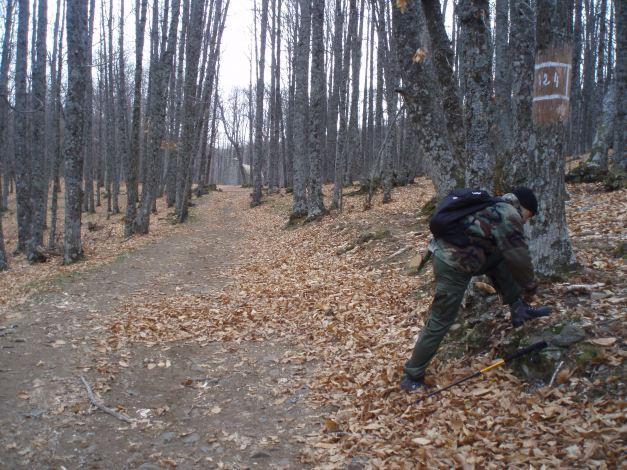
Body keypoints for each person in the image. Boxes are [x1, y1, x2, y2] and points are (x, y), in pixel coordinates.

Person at [400, 187, 551, 392]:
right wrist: (530, 284)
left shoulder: (494, 207)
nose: (526, 221)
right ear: (523, 207)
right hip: (452, 265)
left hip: (465, 257)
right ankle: (412, 374)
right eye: (528, 216)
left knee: (498, 260)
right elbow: (519, 256)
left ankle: (519, 309)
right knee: (441, 319)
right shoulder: (509, 215)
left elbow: (504, 252)